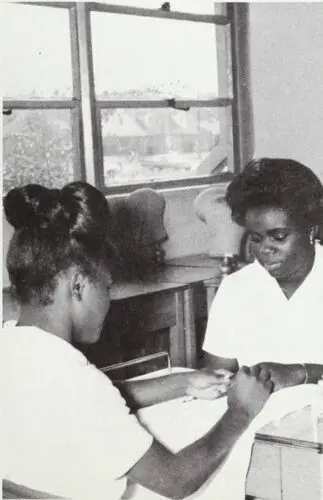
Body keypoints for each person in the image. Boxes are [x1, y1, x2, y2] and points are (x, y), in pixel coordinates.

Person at [1, 182, 273, 500]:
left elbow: (87, 398)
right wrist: (239, 412)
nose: (109, 300)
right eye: (106, 287)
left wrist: (183, 382)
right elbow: (177, 480)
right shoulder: (77, 383)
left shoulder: (15, 351)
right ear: (77, 286)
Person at [202, 157, 323, 390]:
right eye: (255, 238)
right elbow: (217, 378)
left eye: (279, 237)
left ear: (311, 230)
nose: (264, 249)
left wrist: (301, 373)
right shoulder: (236, 288)